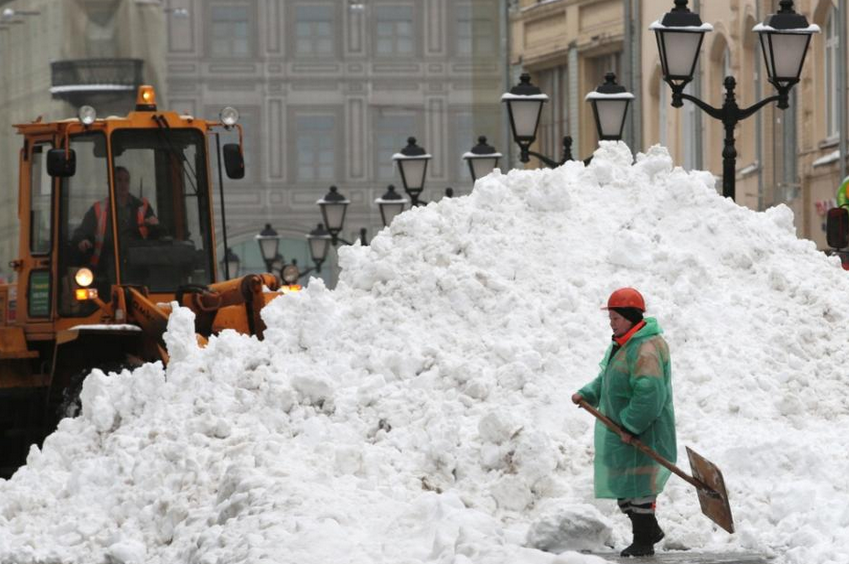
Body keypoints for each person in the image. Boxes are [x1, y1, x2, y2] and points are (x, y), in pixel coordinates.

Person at [571, 287, 676, 557]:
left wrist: (630, 425)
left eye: (616, 317)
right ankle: (648, 532)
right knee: (626, 490)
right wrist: (587, 393)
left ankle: (644, 540)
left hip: (643, 431)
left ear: (631, 317)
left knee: (639, 489)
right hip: (623, 433)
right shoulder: (624, 344)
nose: (611, 322)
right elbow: (608, 379)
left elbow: (650, 393)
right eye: (611, 317)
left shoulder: (646, 348)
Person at [72, 166, 159, 270]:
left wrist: (154, 225)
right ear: (110, 183)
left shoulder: (142, 206)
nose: (123, 184)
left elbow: (157, 233)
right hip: (106, 264)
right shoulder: (98, 208)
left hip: (138, 264)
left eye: (126, 180)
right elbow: (81, 232)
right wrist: (83, 240)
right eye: (118, 180)